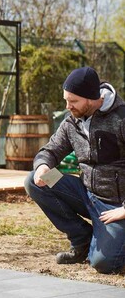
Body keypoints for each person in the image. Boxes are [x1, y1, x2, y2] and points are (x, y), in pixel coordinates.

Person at [24, 66, 125, 274]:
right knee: (34, 179)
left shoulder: (121, 119)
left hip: (116, 205)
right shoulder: (72, 120)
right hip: (86, 194)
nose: (68, 106)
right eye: (66, 100)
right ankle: (82, 241)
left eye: (73, 101)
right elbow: (51, 149)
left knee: (105, 264)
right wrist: (43, 166)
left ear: (91, 98)